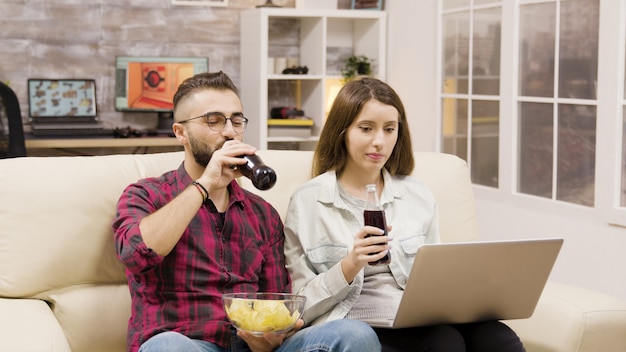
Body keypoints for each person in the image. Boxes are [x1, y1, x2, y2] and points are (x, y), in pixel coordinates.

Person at [112, 71, 381, 352]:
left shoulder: (262, 214)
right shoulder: (147, 195)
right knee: (167, 348)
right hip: (188, 344)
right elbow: (136, 253)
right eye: (213, 121)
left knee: (354, 334)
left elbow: (277, 301)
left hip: (253, 348)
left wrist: (272, 336)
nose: (229, 132)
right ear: (181, 133)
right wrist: (205, 185)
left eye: (237, 121)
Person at [283, 77, 526, 352]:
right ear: (342, 131)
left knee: (497, 336)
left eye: (389, 129)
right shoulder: (308, 202)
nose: (379, 142)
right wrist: (349, 266)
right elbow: (297, 305)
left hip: (419, 319)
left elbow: (441, 275)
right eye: (366, 129)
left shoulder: (417, 195)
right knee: (445, 341)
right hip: (360, 326)